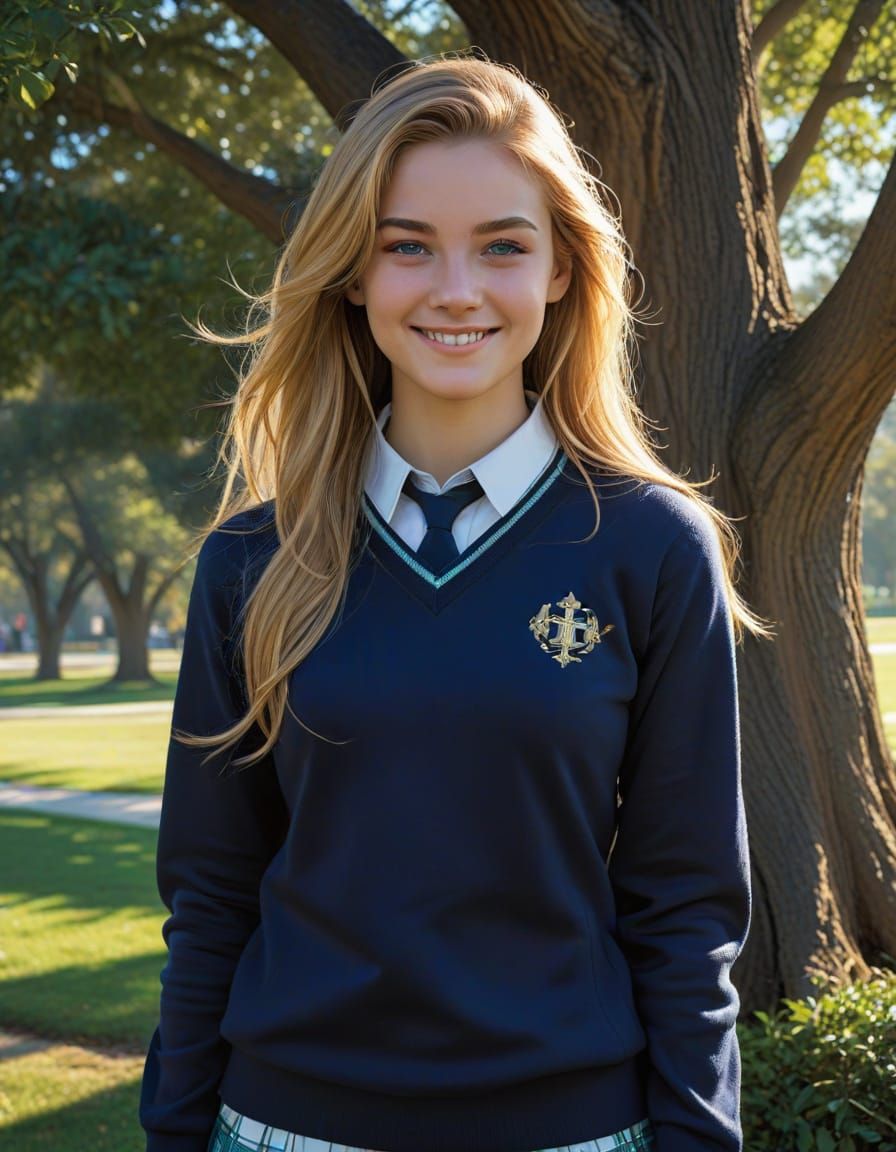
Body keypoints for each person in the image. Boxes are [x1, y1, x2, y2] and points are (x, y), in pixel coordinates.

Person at [139, 52, 769, 1152]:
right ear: (352, 273)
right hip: (282, 1126)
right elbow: (209, 899)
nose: (455, 290)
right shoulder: (252, 561)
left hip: (571, 1128)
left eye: (502, 247)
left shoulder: (648, 548)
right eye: (406, 247)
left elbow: (686, 911)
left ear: (562, 270)